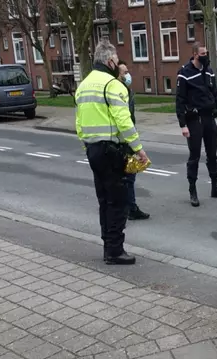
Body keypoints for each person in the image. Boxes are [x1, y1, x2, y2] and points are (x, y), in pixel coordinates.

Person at [75, 41, 148, 265]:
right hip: (111, 150)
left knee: (105, 200)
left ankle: (108, 245)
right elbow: (124, 121)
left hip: (93, 150)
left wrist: (86, 146)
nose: (118, 64)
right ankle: (115, 251)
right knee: (119, 201)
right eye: (116, 60)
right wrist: (138, 149)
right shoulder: (112, 85)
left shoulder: (83, 85)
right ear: (109, 61)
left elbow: (79, 122)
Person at [176, 42, 217, 207]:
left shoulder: (210, 72)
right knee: (195, 156)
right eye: (203, 54)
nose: (206, 56)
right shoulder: (184, 73)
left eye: (206, 53)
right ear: (195, 54)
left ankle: (215, 187)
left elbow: (215, 96)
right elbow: (179, 101)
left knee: (212, 154)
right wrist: (183, 125)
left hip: (209, 119)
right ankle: (193, 190)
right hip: (194, 120)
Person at [117, 60, 149, 221]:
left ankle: (130, 207)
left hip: (128, 140)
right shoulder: (117, 93)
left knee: (129, 175)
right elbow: (124, 120)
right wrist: (136, 146)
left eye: (127, 72)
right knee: (125, 177)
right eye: (124, 73)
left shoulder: (128, 91)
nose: (127, 75)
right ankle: (127, 209)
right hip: (122, 142)